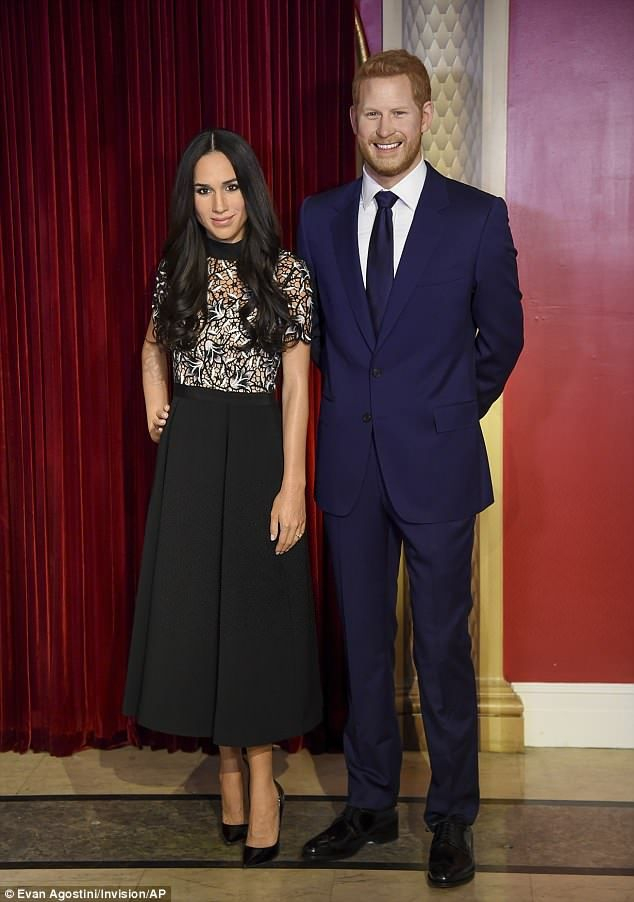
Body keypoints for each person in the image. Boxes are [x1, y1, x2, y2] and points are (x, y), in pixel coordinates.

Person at [297, 50, 523, 888]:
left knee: (442, 648)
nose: (384, 129)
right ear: (353, 122)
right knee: (362, 647)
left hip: (438, 465)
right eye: (370, 113)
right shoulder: (318, 217)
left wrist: (443, 415)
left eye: (399, 112)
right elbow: (318, 341)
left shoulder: (477, 217)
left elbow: (503, 339)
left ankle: (452, 816)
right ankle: (369, 805)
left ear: (427, 117)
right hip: (351, 467)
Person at [123, 128, 322, 868]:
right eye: (204, 190)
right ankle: (229, 771)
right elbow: (152, 344)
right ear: (191, 197)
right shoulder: (177, 268)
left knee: (255, 622)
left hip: (260, 452)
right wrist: (156, 398)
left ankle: (263, 782)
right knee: (203, 617)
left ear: (250, 190)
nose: (218, 203)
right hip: (192, 457)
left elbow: (297, 387)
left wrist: (293, 483)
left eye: (230, 187)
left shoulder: (287, 272)